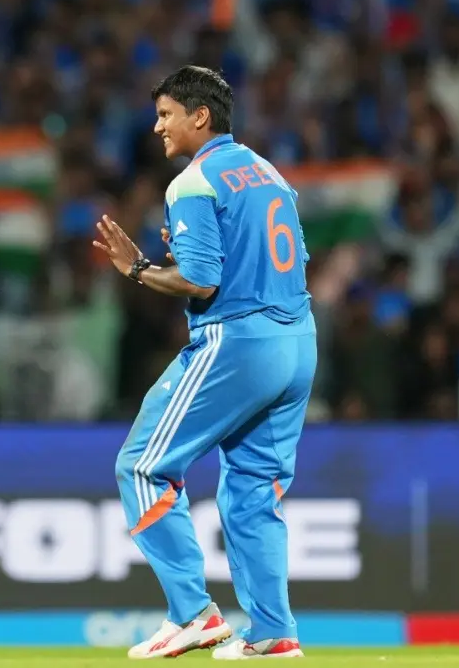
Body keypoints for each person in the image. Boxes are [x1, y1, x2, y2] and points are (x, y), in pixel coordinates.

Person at [92, 65, 312, 661]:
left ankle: (192, 613)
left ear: (200, 116)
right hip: (297, 341)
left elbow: (199, 280)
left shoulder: (192, 181)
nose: (158, 126)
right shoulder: (268, 172)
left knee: (142, 466)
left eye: (166, 114)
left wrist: (138, 269)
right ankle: (273, 632)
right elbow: (285, 257)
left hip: (238, 343)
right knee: (252, 493)